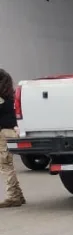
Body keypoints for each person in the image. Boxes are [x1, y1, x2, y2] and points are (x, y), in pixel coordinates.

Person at [0, 69, 25, 208]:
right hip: (12, 131)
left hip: (3, 133)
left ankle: (13, 196)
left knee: (5, 165)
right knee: (8, 163)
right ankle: (19, 195)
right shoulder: (10, 95)